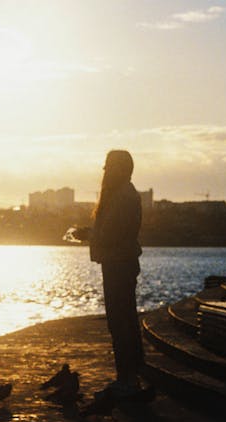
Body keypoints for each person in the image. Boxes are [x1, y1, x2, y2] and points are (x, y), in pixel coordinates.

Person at [78, 150, 143, 397]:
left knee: (120, 322)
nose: (104, 172)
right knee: (124, 319)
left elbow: (110, 234)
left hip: (119, 264)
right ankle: (130, 375)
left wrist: (88, 234)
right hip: (120, 262)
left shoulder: (123, 196)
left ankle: (127, 378)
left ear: (120, 169)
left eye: (108, 167)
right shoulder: (124, 194)